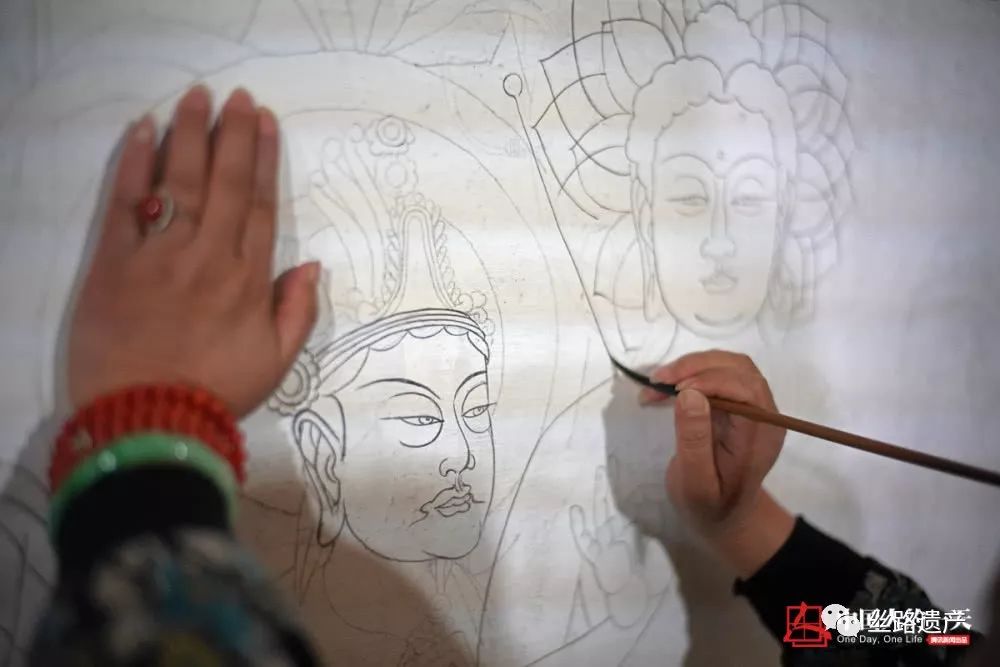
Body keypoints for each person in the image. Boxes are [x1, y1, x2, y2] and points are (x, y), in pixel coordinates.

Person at [26, 84, 997, 666]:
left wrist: (145, 434)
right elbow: (932, 642)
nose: (456, 450)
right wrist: (748, 525)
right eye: (416, 414)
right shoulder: (958, 629)